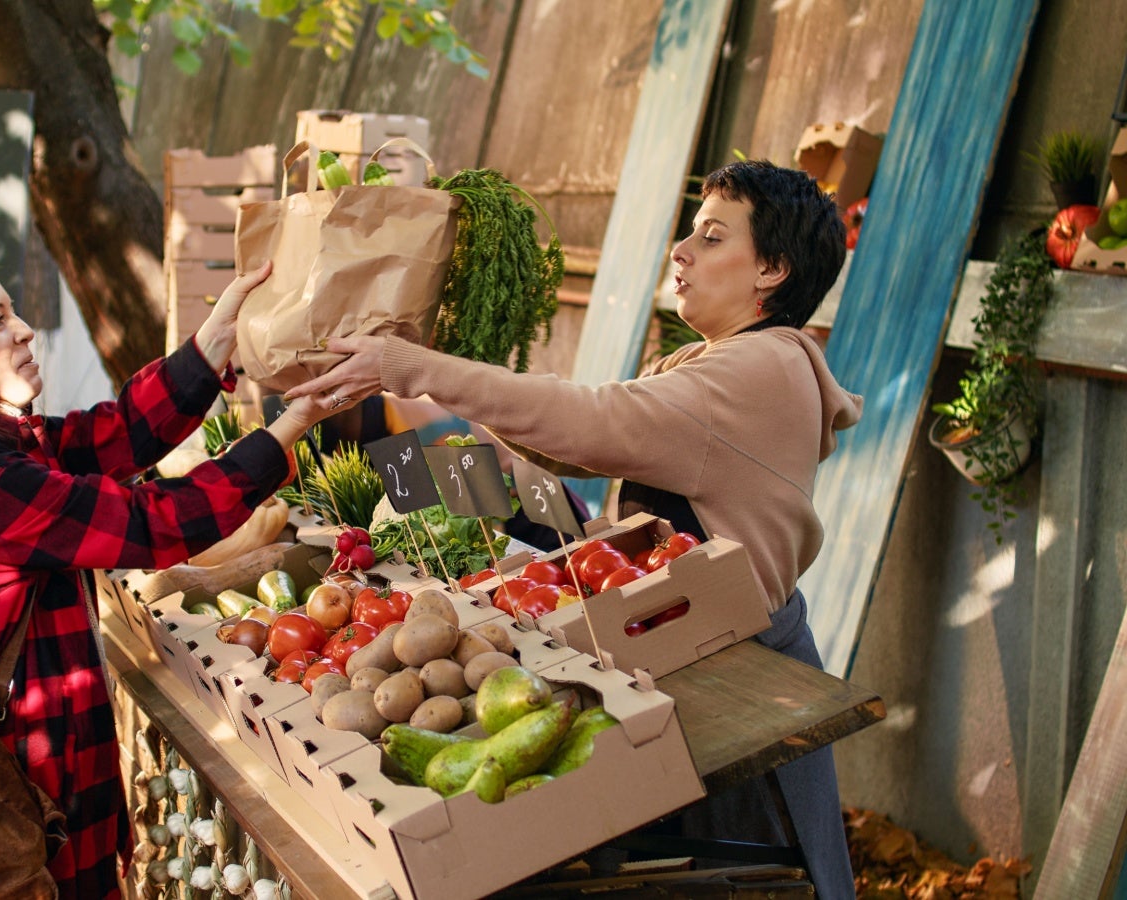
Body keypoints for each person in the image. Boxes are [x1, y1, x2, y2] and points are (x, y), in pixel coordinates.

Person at [288, 159, 864, 898]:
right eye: (688, 232)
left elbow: (591, 422)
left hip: (734, 687)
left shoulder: (763, 369)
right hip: (678, 656)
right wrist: (449, 450)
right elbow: (582, 457)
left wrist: (421, 366)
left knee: (755, 878)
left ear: (774, 270)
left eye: (712, 238)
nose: (681, 252)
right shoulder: (707, 359)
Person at [0, 244, 341, 899]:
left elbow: (112, 436)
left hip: (18, 799)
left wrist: (215, 340)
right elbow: (151, 524)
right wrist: (293, 424)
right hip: (31, 808)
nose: (25, 329)